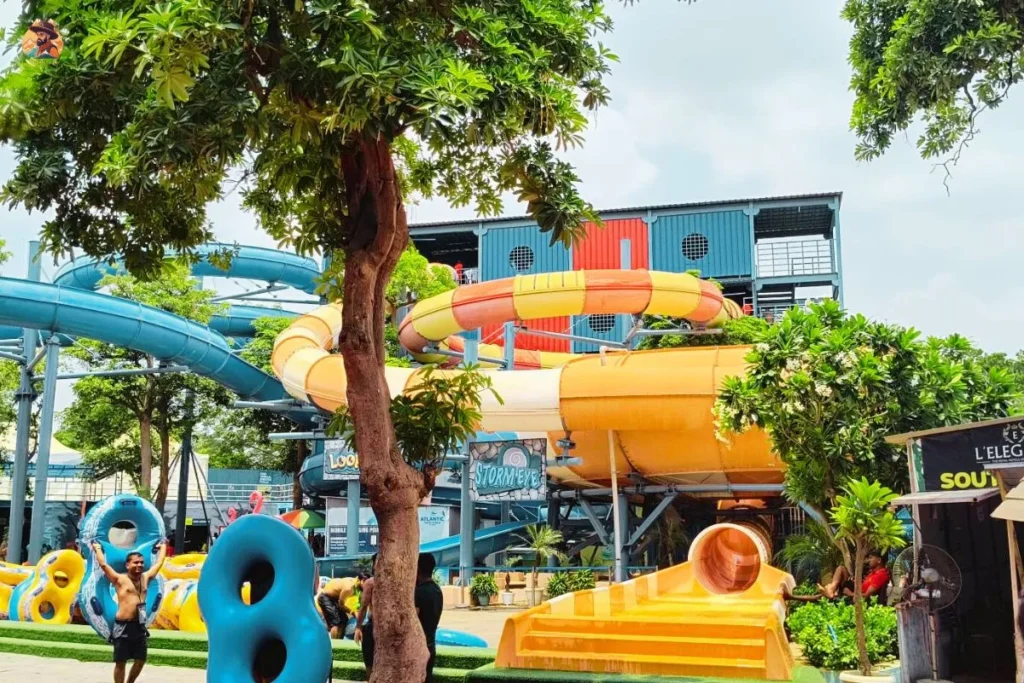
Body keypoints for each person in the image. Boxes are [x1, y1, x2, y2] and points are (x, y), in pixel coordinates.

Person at [91, 539, 168, 683]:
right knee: (121, 661)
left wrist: (163, 546)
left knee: (141, 660)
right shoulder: (119, 579)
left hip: (139, 626)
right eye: (135, 562)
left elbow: (159, 563)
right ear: (127, 565)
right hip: (123, 626)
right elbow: (103, 564)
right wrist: (97, 548)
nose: (139, 565)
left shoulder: (146, 578)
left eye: (141, 562)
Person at [414, 553, 444, 683]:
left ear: (417, 569)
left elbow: (413, 621)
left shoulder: (419, 592)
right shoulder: (437, 590)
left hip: (418, 646)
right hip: (431, 645)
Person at [354, 554, 377, 677]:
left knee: (370, 664)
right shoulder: (396, 582)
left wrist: (358, 627)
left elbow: (363, 607)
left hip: (374, 627)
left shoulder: (371, 583)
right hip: (390, 629)